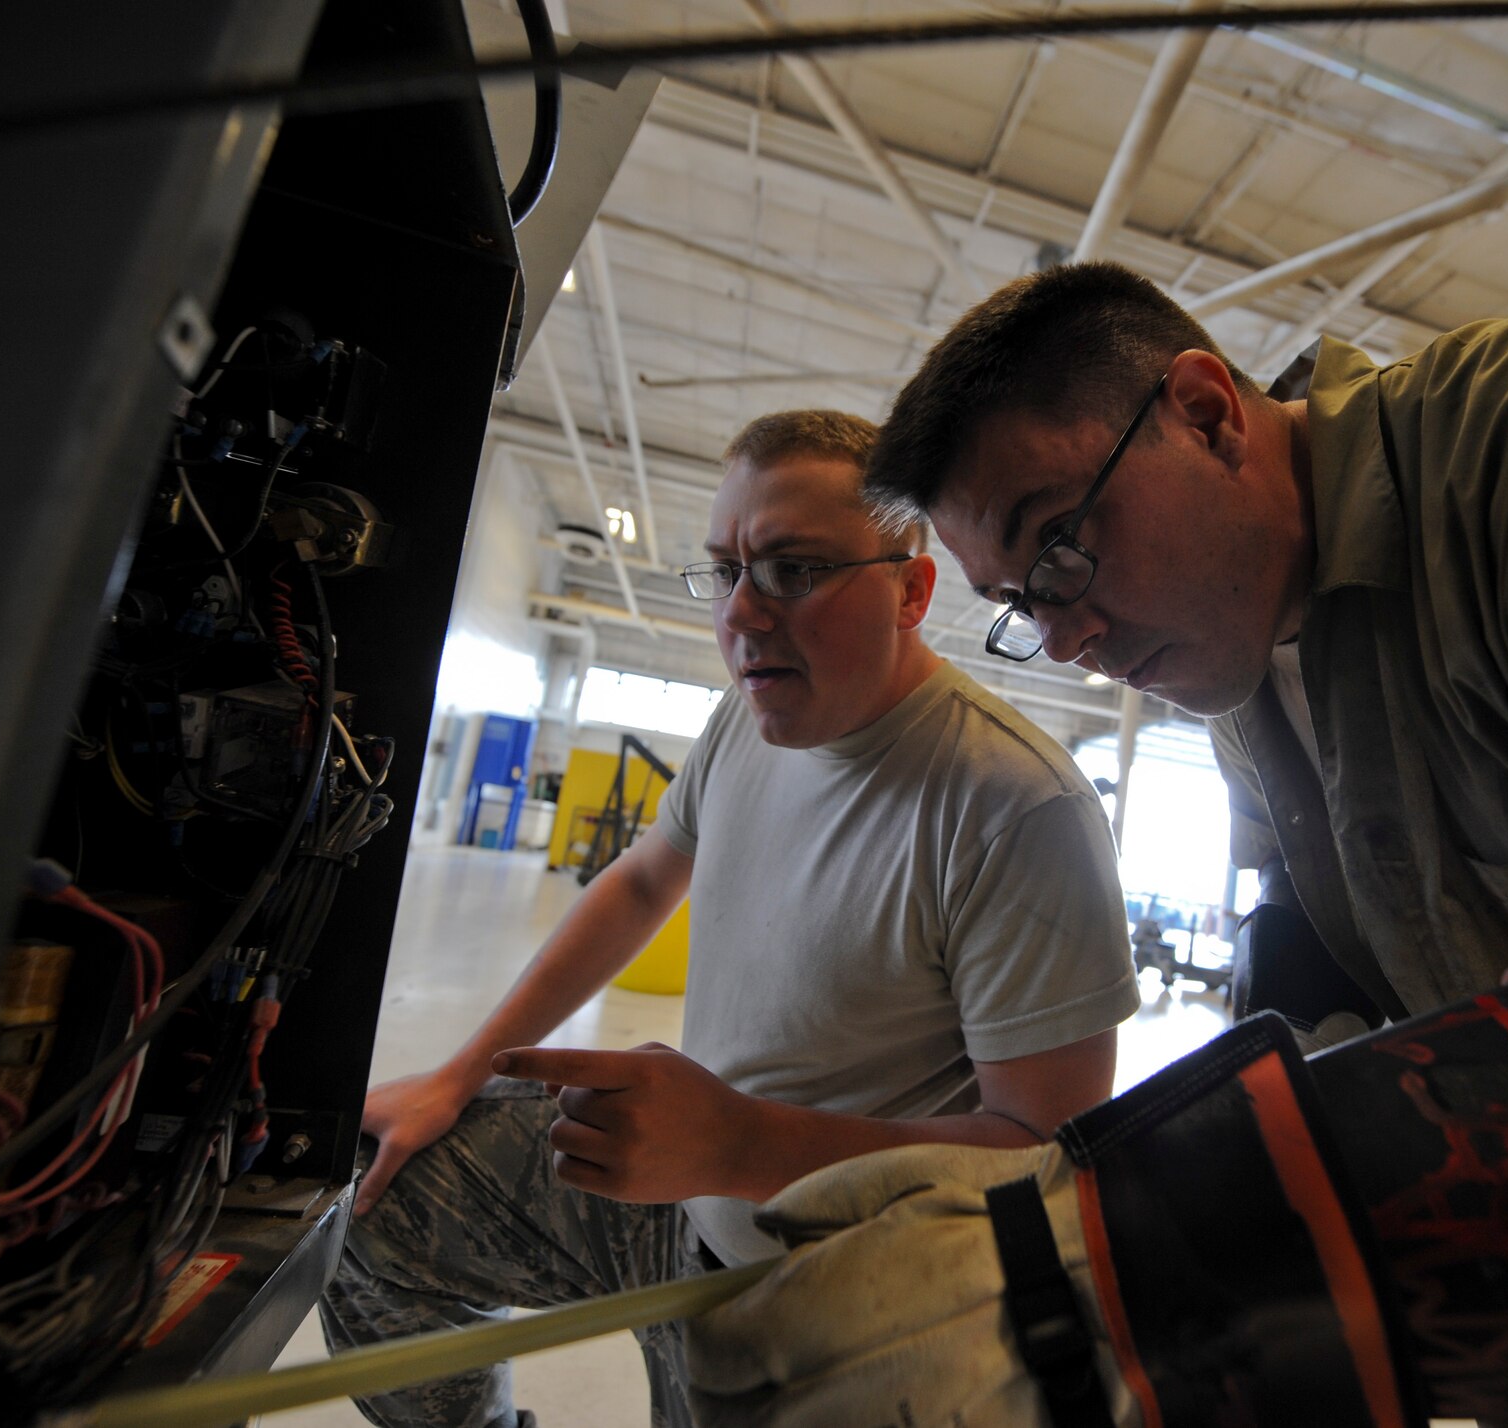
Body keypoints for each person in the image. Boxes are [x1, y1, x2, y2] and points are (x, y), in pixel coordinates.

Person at [680, 270, 1508, 1426]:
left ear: (1208, 413)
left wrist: (1138, 1270)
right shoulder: (1250, 674)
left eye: (1057, 546)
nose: (1060, 638)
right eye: (1019, 602)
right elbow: (1344, 1022)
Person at [322, 409, 1139, 1428]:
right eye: (726, 569)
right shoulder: (748, 716)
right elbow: (639, 883)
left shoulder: (1015, 807)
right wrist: (463, 1073)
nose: (743, 617)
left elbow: (1037, 1153)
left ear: (911, 589)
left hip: (843, 1299)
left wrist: (741, 1144)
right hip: (681, 1201)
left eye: (795, 570)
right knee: (373, 1207)